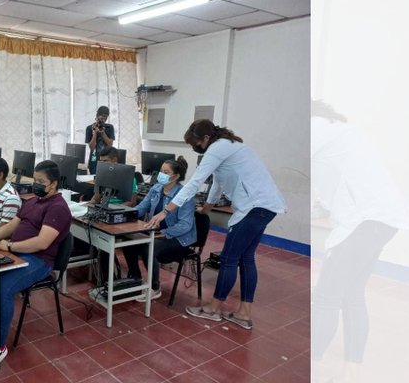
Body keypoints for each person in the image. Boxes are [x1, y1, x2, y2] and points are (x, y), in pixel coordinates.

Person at [146, 119, 285, 329]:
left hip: (253, 207)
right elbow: (218, 182)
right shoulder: (230, 146)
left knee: (229, 259)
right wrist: (207, 209)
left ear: (206, 138)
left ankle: (214, 308)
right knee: (246, 258)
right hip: (267, 206)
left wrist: (167, 211)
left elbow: (195, 182)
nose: (196, 149)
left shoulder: (218, 147)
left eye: (197, 145)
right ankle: (244, 313)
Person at [310, 101, 409, 382]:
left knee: (326, 297)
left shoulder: (318, 127)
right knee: (352, 293)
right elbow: (335, 182)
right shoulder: (344, 132)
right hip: (384, 221)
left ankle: (313, 365)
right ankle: (353, 368)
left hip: (364, 222)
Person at [0, 160, 71, 374]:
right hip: (15, 251)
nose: (36, 184)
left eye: (41, 182)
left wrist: (9, 245)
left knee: (3, 287)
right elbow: (11, 226)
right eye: (35, 179)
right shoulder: (33, 201)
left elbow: (42, 243)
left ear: (53, 184)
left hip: (39, 261)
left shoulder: (58, 208)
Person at [126, 157, 196, 302]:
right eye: (161, 171)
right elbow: (142, 207)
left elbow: (185, 225)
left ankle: (154, 287)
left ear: (175, 176)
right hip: (156, 233)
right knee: (128, 242)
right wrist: (126, 214)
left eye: (166, 172)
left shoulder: (184, 196)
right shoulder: (156, 188)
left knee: (148, 247)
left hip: (178, 238)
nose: (161, 175)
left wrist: (162, 233)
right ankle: (135, 279)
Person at [84, 106, 114, 174]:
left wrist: (103, 133)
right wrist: (95, 132)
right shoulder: (89, 128)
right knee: (94, 179)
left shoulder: (110, 127)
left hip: (107, 159)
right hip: (94, 158)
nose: (104, 119)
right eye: (103, 116)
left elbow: (110, 144)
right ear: (97, 115)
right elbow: (92, 147)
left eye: (106, 117)